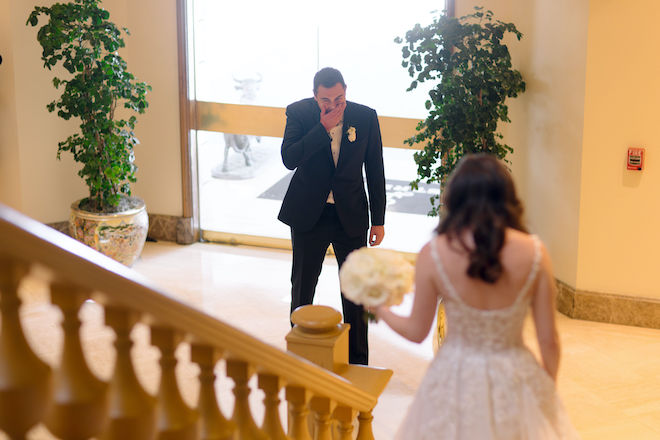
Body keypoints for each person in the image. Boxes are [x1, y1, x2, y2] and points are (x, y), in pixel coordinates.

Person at [375, 154, 579, 439]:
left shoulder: (434, 253)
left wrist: (380, 309)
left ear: (455, 198)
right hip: (515, 372)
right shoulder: (535, 253)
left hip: (454, 375)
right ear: (507, 197)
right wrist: (546, 390)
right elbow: (549, 341)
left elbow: (416, 331)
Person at [278, 67, 386, 365]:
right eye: (326, 100)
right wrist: (322, 128)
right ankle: (299, 357)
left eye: (339, 97)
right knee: (302, 285)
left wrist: (378, 219)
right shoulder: (299, 113)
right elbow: (289, 158)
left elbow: (375, 170)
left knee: (355, 291)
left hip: (349, 215)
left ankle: (358, 362)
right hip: (309, 214)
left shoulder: (365, 117)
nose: (333, 105)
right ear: (315, 96)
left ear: (346, 91)